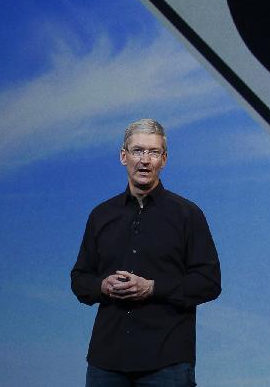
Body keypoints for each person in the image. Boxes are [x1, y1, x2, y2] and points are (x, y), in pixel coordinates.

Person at [71, 118, 221, 386]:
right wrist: (102, 286)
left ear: (164, 160)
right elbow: (80, 279)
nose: (144, 160)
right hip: (106, 362)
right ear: (123, 156)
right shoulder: (101, 215)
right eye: (138, 151)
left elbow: (208, 282)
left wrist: (152, 288)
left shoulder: (188, 215)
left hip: (167, 361)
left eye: (153, 152)